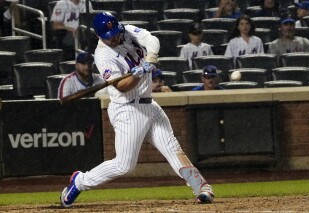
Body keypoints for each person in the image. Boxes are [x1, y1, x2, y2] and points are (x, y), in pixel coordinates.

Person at [59, 12, 214, 207]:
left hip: (149, 104)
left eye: (116, 33)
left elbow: (151, 39)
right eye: (110, 36)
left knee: (173, 148)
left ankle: (201, 188)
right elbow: (122, 86)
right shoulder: (103, 55)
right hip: (127, 109)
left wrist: (150, 58)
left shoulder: (126, 31)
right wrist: (138, 74)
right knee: (125, 165)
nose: (115, 37)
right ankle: (80, 181)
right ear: (100, 36)